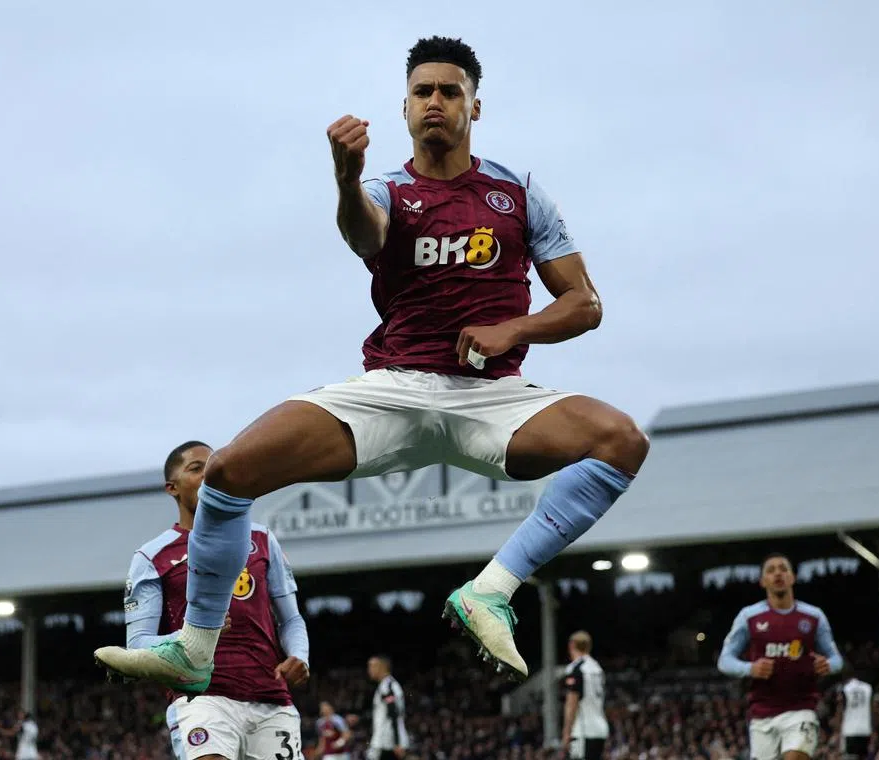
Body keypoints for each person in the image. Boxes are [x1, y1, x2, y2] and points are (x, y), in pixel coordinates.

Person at [103, 35, 648, 695]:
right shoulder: (387, 190)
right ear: (405, 107)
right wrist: (343, 175)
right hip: (392, 390)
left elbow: (584, 305)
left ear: (477, 105)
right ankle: (195, 647)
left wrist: (513, 329)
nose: (436, 102)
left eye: (451, 91)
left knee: (621, 440)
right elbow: (366, 234)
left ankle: (491, 591)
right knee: (227, 472)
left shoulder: (517, 193)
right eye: (424, 92)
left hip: (492, 399)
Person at [95, 441, 310, 760]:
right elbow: (138, 643)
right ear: (172, 487)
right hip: (202, 697)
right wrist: (192, 635)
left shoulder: (262, 539)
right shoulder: (152, 556)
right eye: (196, 469)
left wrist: (300, 655)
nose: (208, 476)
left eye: (212, 468)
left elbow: (290, 619)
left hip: (271, 699)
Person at [718, 553, 844, 760]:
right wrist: (750, 668)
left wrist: (827, 665)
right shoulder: (748, 617)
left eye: (783, 569)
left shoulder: (813, 616)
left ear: (792, 577)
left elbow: (836, 659)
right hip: (762, 714)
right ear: (762, 581)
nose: (778, 573)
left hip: (801, 709)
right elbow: (725, 660)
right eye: (771, 570)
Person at [561, 631, 608, 760]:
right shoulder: (597, 668)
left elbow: (572, 703)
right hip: (600, 729)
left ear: (571, 645)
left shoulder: (576, 669)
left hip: (583, 730)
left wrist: (566, 732)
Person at [367, 656, 408, 760]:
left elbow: (393, 713)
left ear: (383, 667)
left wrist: (397, 742)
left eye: (372, 666)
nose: (369, 669)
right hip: (384, 742)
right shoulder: (384, 686)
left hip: (388, 743)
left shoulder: (388, 686)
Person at [839, 665, 873, 760]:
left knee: (850, 756)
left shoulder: (845, 689)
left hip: (850, 730)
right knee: (863, 756)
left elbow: (841, 709)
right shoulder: (867, 687)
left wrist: (838, 728)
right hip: (865, 729)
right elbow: (872, 709)